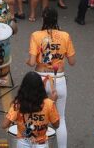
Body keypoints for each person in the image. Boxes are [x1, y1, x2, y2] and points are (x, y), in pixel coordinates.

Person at [27, 8, 75, 148]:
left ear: (43, 19)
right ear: (56, 20)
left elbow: (31, 62)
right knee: (60, 118)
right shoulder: (65, 36)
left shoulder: (36, 35)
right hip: (59, 80)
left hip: (39, 80)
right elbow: (72, 62)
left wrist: (28, 60)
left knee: (36, 116)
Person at [3, 71, 60, 148]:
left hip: (22, 143)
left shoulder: (19, 103)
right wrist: (53, 102)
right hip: (41, 144)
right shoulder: (49, 104)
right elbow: (56, 125)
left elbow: (4, 125)